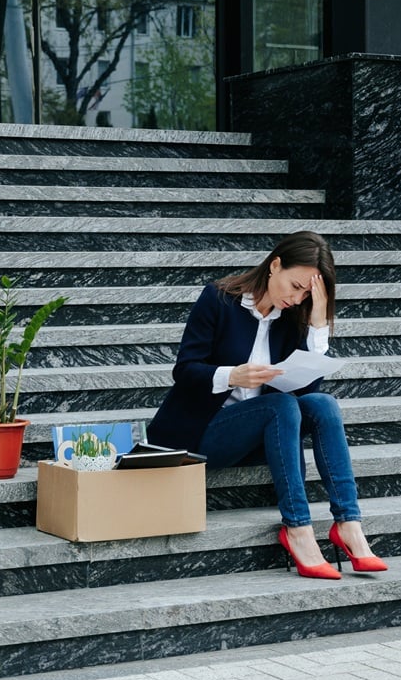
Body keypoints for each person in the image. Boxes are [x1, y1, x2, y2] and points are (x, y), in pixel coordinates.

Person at [147, 231, 386, 580]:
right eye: (295, 285)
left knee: (323, 404)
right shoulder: (218, 299)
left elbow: (307, 387)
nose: (298, 297)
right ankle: (298, 529)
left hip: (263, 434)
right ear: (275, 265)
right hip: (203, 434)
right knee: (281, 406)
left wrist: (318, 325)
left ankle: (349, 524)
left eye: (308, 292)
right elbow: (184, 370)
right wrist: (231, 376)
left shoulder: (293, 316)